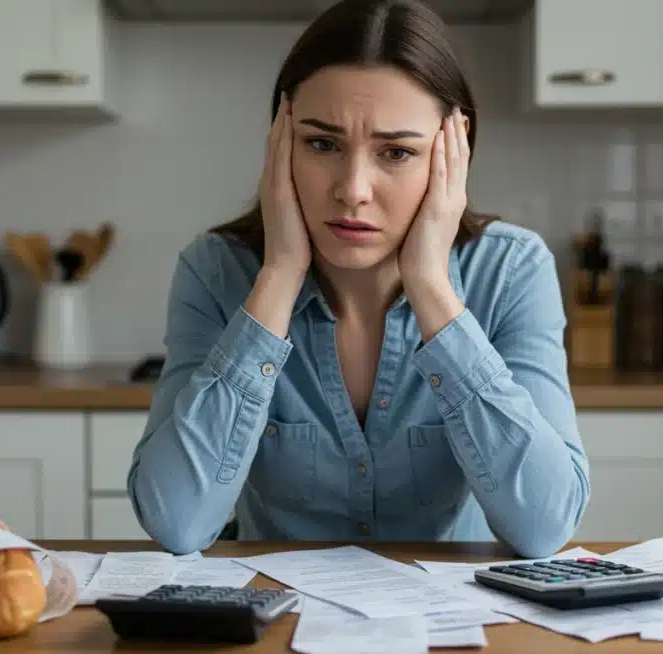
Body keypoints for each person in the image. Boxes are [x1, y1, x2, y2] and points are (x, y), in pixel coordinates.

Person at [126, 0, 590, 558]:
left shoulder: (511, 269)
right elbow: (176, 524)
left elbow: (545, 526)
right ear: (281, 140)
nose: (353, 188)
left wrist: (431, 288)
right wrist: (279, 274)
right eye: (322, 144)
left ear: (453, 151)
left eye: (396, 152)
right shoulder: (215, 270)